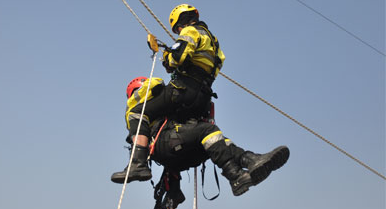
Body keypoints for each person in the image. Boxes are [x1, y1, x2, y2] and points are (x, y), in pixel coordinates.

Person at [111, 77, 290, 197]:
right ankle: (235, 176)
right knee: (206, 131)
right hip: (166, 144)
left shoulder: (152, 111)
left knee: (219, 141)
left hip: (176, 151)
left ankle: (250, 160)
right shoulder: (139, 106)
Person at [121, 4, 225, 182]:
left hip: (184, 88)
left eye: (177, 28)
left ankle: (137, 163)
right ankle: (173, 190)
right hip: (204, 94)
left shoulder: (190, 31)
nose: (178, 31)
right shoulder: (214, 43)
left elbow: (178, 57)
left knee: (139, 112)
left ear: (181, 21)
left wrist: (167, 59)